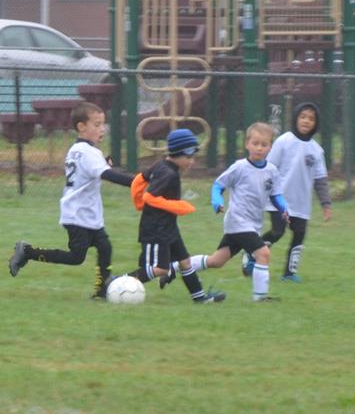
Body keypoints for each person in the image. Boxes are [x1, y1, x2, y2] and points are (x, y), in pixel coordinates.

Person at [8, 101, 136, 299]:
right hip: (78, 215)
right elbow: (107, 175)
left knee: (105, 247)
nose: (102, 129)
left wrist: (106, 164)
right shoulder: (89, 152)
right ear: (81, 127)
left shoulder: (77, 149)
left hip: (84, 213)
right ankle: (27, 252)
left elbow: (94, 170)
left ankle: (101, 290)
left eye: (103, 124)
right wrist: (138, 182)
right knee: (76, 257)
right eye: (97, 124)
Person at [193, 122, 290, 302]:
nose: (259, 148)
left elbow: (276, 195)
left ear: (270, 147)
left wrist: (284, 208)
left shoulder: (272, 171)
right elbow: (218, 185)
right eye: (255, 143)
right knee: (263, 253)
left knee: (216, 261)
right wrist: (217, 201)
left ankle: (175, 268)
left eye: (264, 144)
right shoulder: (239, 167)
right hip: (238, 221)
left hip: (252, 224)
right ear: (247, 144)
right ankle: (260, 298)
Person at [127, 126, 224, 303]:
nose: (192, 161)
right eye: (188, 157)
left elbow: (139, 181)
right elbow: (151, 197)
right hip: (156, 229)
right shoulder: (169, 174)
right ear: (178, 153)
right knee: (160, 269)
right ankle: (121, 282)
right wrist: (179, 206)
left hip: (168, 226)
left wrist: (137, 200)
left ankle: (200, 298)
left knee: (185, 261)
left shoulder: (161, 165)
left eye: (193, 156)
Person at [264, 101, 331, 282]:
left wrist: (326, 204)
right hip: (279, 200)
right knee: (278, 232)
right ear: (295, 119)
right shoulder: (284, 141)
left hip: (301, 204)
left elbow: (320, 180)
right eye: (303, 117)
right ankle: (254, 252)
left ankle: (289, 273)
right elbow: (269, 168)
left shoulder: (316, 150)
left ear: (315, 124)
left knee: (299, 235)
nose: (306, 121)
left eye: (311, 118)